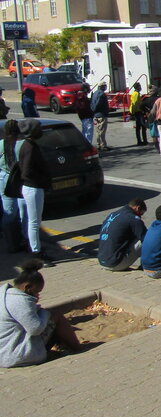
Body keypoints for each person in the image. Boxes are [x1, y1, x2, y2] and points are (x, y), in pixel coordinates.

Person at [0, 259, 81, 368]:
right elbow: (35, 329)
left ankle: (62, 344)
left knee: (47, 318)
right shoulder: (20, 301)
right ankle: (77, 348)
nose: (38, 295)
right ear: (27, 288)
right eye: (37, 292)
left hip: (3, 349)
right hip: (13, 355)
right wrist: (46, 313)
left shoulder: (5, 294)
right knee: (56, 316)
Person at [18, 119, 54, 267]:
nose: (41, 131)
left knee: (32, 221)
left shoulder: (29, 145)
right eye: (39, 128)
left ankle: (35, 247)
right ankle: (36, 254)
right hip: (33, 188)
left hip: (32, 187)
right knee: (34, 222)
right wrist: (41, 180)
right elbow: (27, 172)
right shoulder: (29, 147)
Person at [98, 198, 147, 271]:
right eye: (141, 213)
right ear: (137, 208)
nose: (140, 216)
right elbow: (146, 239)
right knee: (145, 241)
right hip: (115, 264)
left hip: (102, 260)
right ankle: (147, 267)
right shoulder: (133, 219)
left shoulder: (113, 214)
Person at [0, 120, 25, 253]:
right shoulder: (21, 145)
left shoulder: (1, 144)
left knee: (8, 212)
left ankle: (11, 242)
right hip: (19, 180)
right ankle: (21, 239)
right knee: (22, 212)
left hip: (4, 179)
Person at [91, 81, 110, 152]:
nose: (106, 87)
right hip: (101, 114)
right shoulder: (102, 94)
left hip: (96, 115)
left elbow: (92, 103)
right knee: (102, 131)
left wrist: (93, 111)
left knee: (98, 130)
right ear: (102, 86)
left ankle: (98, 144)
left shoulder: (95, 93)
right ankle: (103, 145)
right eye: (105, 86)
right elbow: (98, 104)